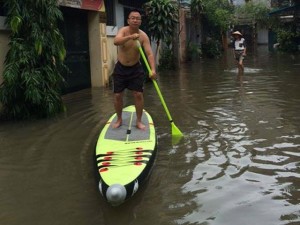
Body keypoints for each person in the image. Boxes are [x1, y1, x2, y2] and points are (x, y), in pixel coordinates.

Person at [112, 9, 157, 130]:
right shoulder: (124, 31)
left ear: (140, 21)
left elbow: (149, 54)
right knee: (117, 95)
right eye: (133, 18)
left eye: (138, 18)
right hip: (120, 68)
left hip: (135, 69)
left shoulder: (143, 36)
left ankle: (138, 121)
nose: (135, 20)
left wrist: (152, 70)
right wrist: (130, 37)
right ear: (128, 20)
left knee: (138, 94)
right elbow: (116, 41)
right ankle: (119, 119)